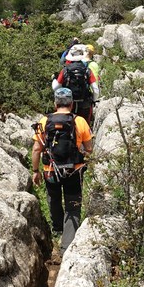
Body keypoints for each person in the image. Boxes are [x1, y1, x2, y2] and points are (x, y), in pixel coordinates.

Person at [32, 87, 94, 256]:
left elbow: (37, 149)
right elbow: (89, 149)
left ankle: (58, 230)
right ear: (72, 103)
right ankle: (67, 246)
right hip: (74, 171)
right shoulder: (80, 121)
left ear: (55, 103)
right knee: (72, 206)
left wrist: (35, 171)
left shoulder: (44, 121)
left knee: (53, 200)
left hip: (50, 170)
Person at [52, 44, 99, 125]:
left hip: (69, 104)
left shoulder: (65, 70)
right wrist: (93, 100)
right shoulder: (87, 71)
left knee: (69, 126)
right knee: (85, 126)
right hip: (84, 104)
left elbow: (56, 88)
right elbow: (95, 90)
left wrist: (54, 80)